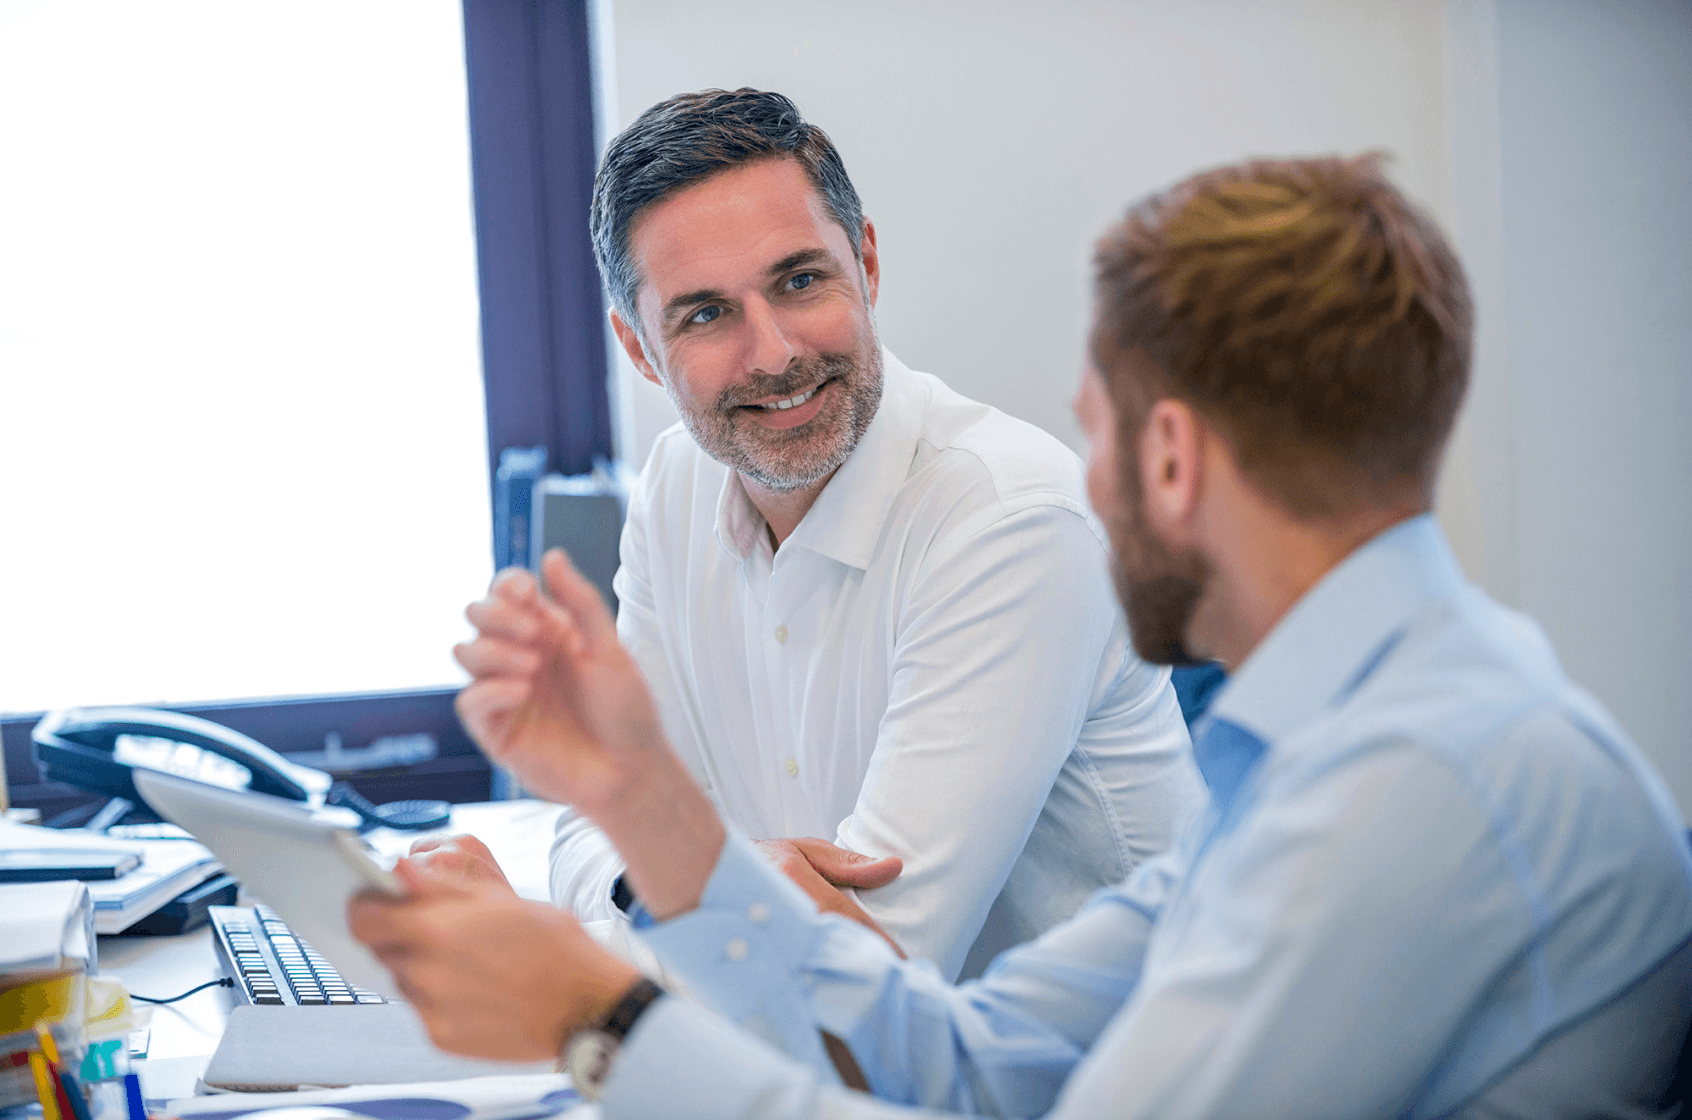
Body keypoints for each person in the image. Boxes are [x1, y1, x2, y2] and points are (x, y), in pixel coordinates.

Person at [352, 154, 1692, 1116]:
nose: (1080, 479)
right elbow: (970, 1059)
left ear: (1166, 458)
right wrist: (642, 806)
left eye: (1092, 429)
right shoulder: (1332, 745)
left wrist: (600, 1020)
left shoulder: (1419, 783)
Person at [439, 87, 1201, 981]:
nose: (774, 354)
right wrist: (706, 890)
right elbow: (603, 819)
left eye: (800, 281)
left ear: (866, 263)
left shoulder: (1011, 521)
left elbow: (869, 975)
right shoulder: (676, 490)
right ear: (640, 350)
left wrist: (582, 935)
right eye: (705, 314)